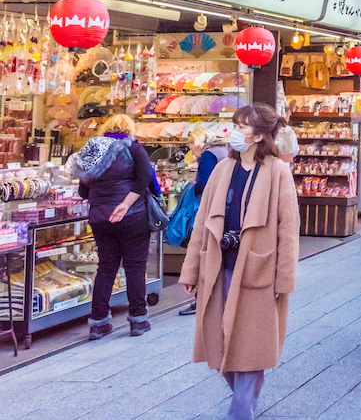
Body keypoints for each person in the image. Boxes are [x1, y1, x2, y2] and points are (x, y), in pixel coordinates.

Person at [180, 103, 300, 420]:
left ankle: (241, 410)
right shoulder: (222, 170)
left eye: (242, 126)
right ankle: (246, 397)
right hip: (218, 266)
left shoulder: (277, 171)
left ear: (260, 135)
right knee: (220, 341)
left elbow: (288, 229)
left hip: (258, 268)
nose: (235, 132)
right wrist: (190, 269)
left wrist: (285, 278)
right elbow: (201, 224)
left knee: (251, 344)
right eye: (235, 124)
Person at [74, 114, 155, 340]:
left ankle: (98, 323)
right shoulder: (134, 148)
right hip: (133, 216)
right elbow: (145, 179)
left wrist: (102, 199)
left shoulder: (92, 150)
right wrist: (124, 204)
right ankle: (138, 321)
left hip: (101, 218)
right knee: (135, 267)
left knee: (106, 267)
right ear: (129, 129)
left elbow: (83, 190)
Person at [178, 127, 232, 315]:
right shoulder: (222, 150)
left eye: (191, 144)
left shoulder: (208, 155)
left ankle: (200, 296)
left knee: (201, 246)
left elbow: (204, 183)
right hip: (223, 207)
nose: (191, 150)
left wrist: (192, 188)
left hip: (208, 208)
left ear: (199, 141)